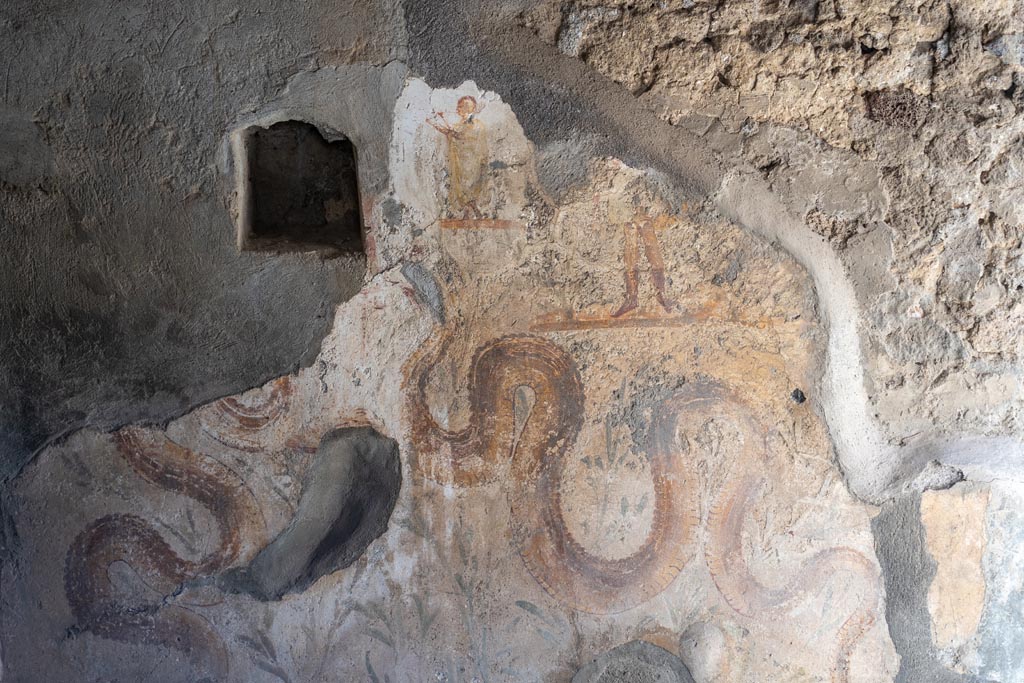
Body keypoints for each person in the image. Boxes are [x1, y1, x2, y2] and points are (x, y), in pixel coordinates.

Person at [607, 182, 677, 317]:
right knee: (631, 251)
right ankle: (632, 298)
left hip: (645, 207)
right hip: (628, 206)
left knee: (651, 246)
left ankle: (661, 293)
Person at [427, 96, 489, 219]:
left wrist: (453, 133)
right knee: (461, 185)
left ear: (468, 108)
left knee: (471, 185)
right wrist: (436, 125)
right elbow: (452, 133)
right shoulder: (459, 125)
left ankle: (473, 209)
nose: (457, 109)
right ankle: (469, 211)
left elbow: (466, 137)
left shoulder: (477, 125)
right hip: (460, 162)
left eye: (460, 107)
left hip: (472, 162)